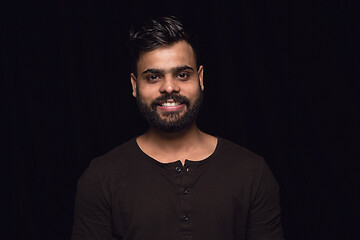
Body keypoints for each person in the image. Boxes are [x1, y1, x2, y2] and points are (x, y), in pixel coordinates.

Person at [71, 16, 284, 240]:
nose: (169, 87)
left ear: (200, 79)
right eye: (154, 77)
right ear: (135, 86)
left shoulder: (252, 172)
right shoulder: (101, 178)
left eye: (182, 75)